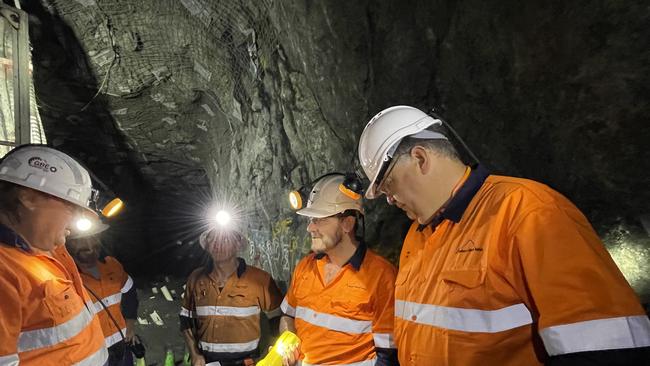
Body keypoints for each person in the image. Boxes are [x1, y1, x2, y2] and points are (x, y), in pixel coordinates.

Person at [357, 105, 650, 365]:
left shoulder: (529, 212)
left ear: (420, 158)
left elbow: (604, 348)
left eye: (388, 184)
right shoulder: (417, 236)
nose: (390, 200)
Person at [0, 145, 108, 365]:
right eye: (71, 207)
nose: (75, 221)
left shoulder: (51, 250)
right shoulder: (5, 272)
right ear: (28, 197)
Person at [279, 174, 398, 366]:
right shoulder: (305, 267)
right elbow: (288, 316)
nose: (310, 228)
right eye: (311, 219)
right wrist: (286, 342)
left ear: (347, 224)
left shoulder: (381, 276)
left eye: (319, 220)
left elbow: (387, 356)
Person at [180, 227, 283, 366]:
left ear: (237, 245)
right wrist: (194, 354)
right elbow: (185, 320)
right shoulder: (196, 279)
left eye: (225, 239)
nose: (218, 244)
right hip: (207, 362)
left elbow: (279, 321)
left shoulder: (260, 280)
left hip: (247, 362)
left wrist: (272, 356)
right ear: (207, 245)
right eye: (213, 239)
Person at [67, 222, 139, 366]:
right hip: (93, 353)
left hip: (122, 343)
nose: (88, 244)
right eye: (80, 240)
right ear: (69, 243)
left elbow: (130, 293)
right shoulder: (66, 276)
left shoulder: (111, 265)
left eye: (93, 238)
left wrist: (130, 326)